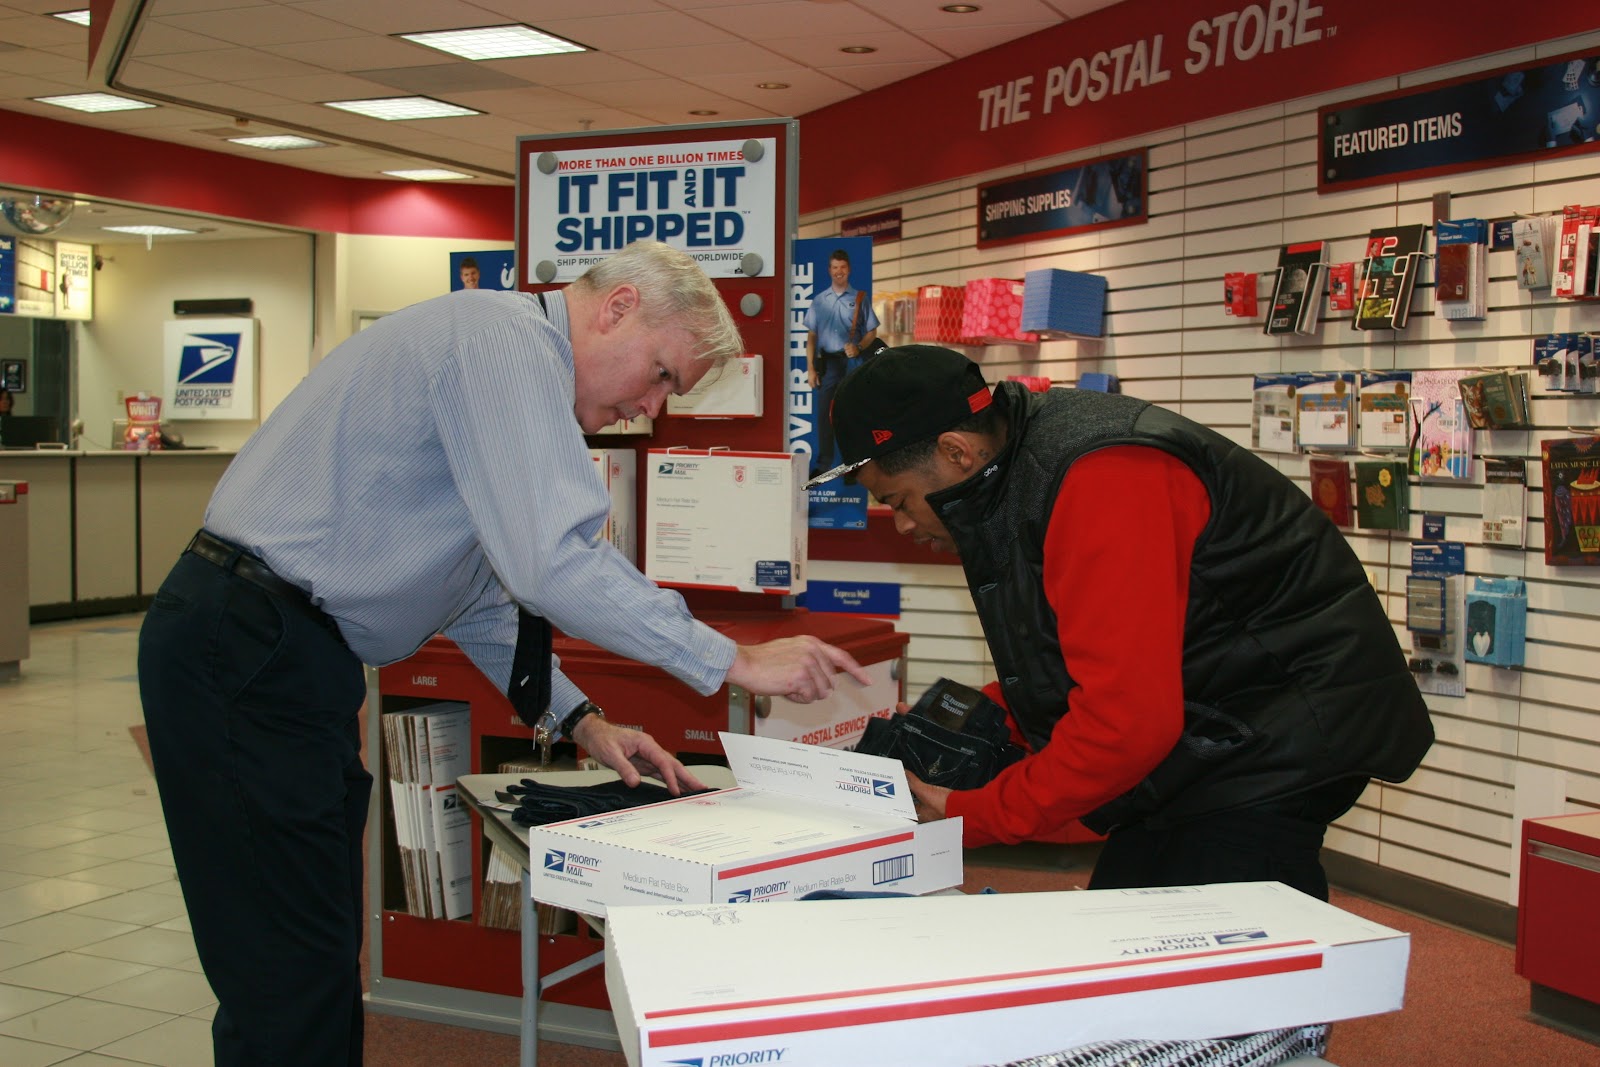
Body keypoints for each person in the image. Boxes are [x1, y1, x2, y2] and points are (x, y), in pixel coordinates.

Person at [138, 239, 870, 1067]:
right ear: (619, 307)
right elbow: (550, 563)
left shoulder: (509, 379)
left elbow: (483, 598)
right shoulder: (503, 340)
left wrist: (583, 721)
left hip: (283, 660)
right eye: (663, 374)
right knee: (286, 969)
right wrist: (733, 658)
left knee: (316, 953)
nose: (653, 409)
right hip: (245, 645)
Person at [811, 345, 1433, 901]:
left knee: (1208, 982)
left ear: (956, 452)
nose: (900, 522)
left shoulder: (1100, 476)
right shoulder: (1025, 464)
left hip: (1275, 741)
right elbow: (1079, 662)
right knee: (1129, 935)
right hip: (1210, 733)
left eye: (895, 499)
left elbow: (1125, 725)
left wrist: (966, 812)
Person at [803, 248, 879, 475]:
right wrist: (810, 369)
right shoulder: (819, 301)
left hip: (852, 363)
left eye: (843, 268)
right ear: (829, 270)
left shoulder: (859, 299)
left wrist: (859, 347)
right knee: (825, 414)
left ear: (849, 270)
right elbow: (812, 338)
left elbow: (871, 332)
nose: (839, 272)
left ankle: (854, 465)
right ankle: (824, 463)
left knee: (852, 413)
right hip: (829, 364)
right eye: (835, 268)